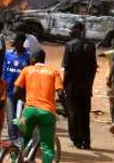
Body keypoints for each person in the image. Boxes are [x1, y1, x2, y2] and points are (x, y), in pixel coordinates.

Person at [13, 50, 68, 163]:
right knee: (47, 147)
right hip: (47, 112)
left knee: (22, 140)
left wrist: (25, 100)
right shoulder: (53, 71)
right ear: (43, 59)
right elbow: (61, 93)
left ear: (33, 59)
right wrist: (67, 109)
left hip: (29, 111)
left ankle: (15, 160)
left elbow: (16, 90)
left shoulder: (27, 70)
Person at [62, 21, 97, 149]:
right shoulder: (91, 45)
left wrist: (63, 85)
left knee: (73, 113)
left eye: (72, 29)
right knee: (84, 114)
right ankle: (86, 141)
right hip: (86, 87)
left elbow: (67, 69)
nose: (70, 31)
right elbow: (93, 67)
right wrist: (90, 84)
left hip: (72, 87)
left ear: (79, 30)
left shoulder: (69, 45)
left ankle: (76, 139)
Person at [2, 32, 31, 141]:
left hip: (22, 94)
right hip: (9, 92)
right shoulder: (8, 54)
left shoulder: (29, 56)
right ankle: (13, 142)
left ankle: (23, 140)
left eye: (14, 39)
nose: (11, 41)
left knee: (20, 119)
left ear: (21, 42)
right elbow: (4, 72)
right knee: (10, 119)